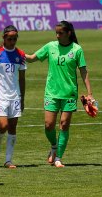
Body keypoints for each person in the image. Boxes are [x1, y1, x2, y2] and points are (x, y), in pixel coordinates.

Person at [25, 21, 94, 168]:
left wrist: (90, 93)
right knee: (49, 125)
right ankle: (54, 146)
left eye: (60, 33)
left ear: (68, 33)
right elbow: (31, 58)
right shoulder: (50, 46)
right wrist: (14, 52)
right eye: (56, 32)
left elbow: (83, 71)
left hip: (69, 94)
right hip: (52, 93)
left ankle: (58, 158)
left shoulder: (77, 49)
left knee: (64, 125)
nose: (57, 35)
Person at [0, 25, 26, 168]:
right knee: (3, 125)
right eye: (9, 38)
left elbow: (22, 78)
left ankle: (8, 160)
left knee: (13, 127)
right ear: (3, 38)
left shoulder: (20, 55)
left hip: (14, 96)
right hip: (0, 95)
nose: (12, 41)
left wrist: (22, 98)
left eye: (15, 39)